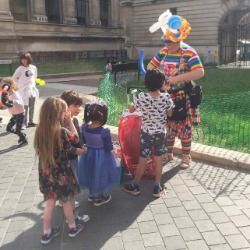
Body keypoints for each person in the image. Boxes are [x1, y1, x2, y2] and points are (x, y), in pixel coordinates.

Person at [147, 14, 204, 169]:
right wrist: (158, 77)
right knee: (169, 128)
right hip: (166, 98)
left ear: (179, 39)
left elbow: (199, 72)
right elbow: (150, 66)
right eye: (165, 41)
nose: (166, 44)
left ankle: (186, 156)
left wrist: (176, 79)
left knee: (185, 129)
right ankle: (168, 154)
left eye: (170, 42)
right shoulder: (164, 52)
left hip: (183, 98)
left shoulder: (189, 52)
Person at [34, 97, 85, 245]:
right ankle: (72, 227)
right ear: (58, 114)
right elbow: (74, 141)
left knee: (50, 203)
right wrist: (80, 151)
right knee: (67, 201)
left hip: (46, 174)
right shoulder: (61, 131)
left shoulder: (39, 130)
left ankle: (46, 232)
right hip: (62, 174)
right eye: (64, 112)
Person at [123, 69, 174, 198]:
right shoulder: (166, 97)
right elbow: (170, 113)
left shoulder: (142, 97)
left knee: (143, 160)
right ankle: (157, 187)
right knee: (158, 160)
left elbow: (131, 109)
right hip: (160, 134)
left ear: (146, 83)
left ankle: (135, 185)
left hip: (146, 133)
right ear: (161, 83)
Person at [78, 100, 121, 206]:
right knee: (101, 175)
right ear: (102, 116)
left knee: (91, 173)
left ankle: (92, 194)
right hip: (102, 156)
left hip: (88, 154)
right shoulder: (104, 132)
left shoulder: (84, 127)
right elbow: (108, 147)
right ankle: (99, 197)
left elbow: (83, 140)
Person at [60, 90, 90, 222]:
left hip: (72, 158)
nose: (78, 109)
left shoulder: (74, 120)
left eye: (79, 106)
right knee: (72, 186)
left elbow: (79, 138)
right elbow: (72, 141)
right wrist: (78, 148)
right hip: (69, 160)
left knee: (68, 186)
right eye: (75, 106)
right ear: (65, 107)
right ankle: (72, 216)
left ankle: (64, 202)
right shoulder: (63, 124)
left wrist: (82, 145)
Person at [12, 52, 39, 129]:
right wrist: (18, 86)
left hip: (32, 90)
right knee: (24, 107)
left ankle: (31, 121)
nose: (24, 61)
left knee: (32, 105)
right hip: (23, 91)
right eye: (22, 59)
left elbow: (35, 77)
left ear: (29, 59)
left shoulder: (33, 68)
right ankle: (23, 123)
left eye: (25, 59)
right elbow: (13, 78)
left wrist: (33, 85)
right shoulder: (20, 69)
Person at [1, 78, 28, 147]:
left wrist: (11, 100)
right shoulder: (8, 95)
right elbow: (9, 106)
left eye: (5, 86)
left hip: (20, 114)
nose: (4, 88)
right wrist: (2, 107)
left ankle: (24, 140)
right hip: (14, 115)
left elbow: (19, 102)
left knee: (18, 129)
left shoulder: (15, 94)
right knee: (9, 128)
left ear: (11, 86)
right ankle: (21, 135)